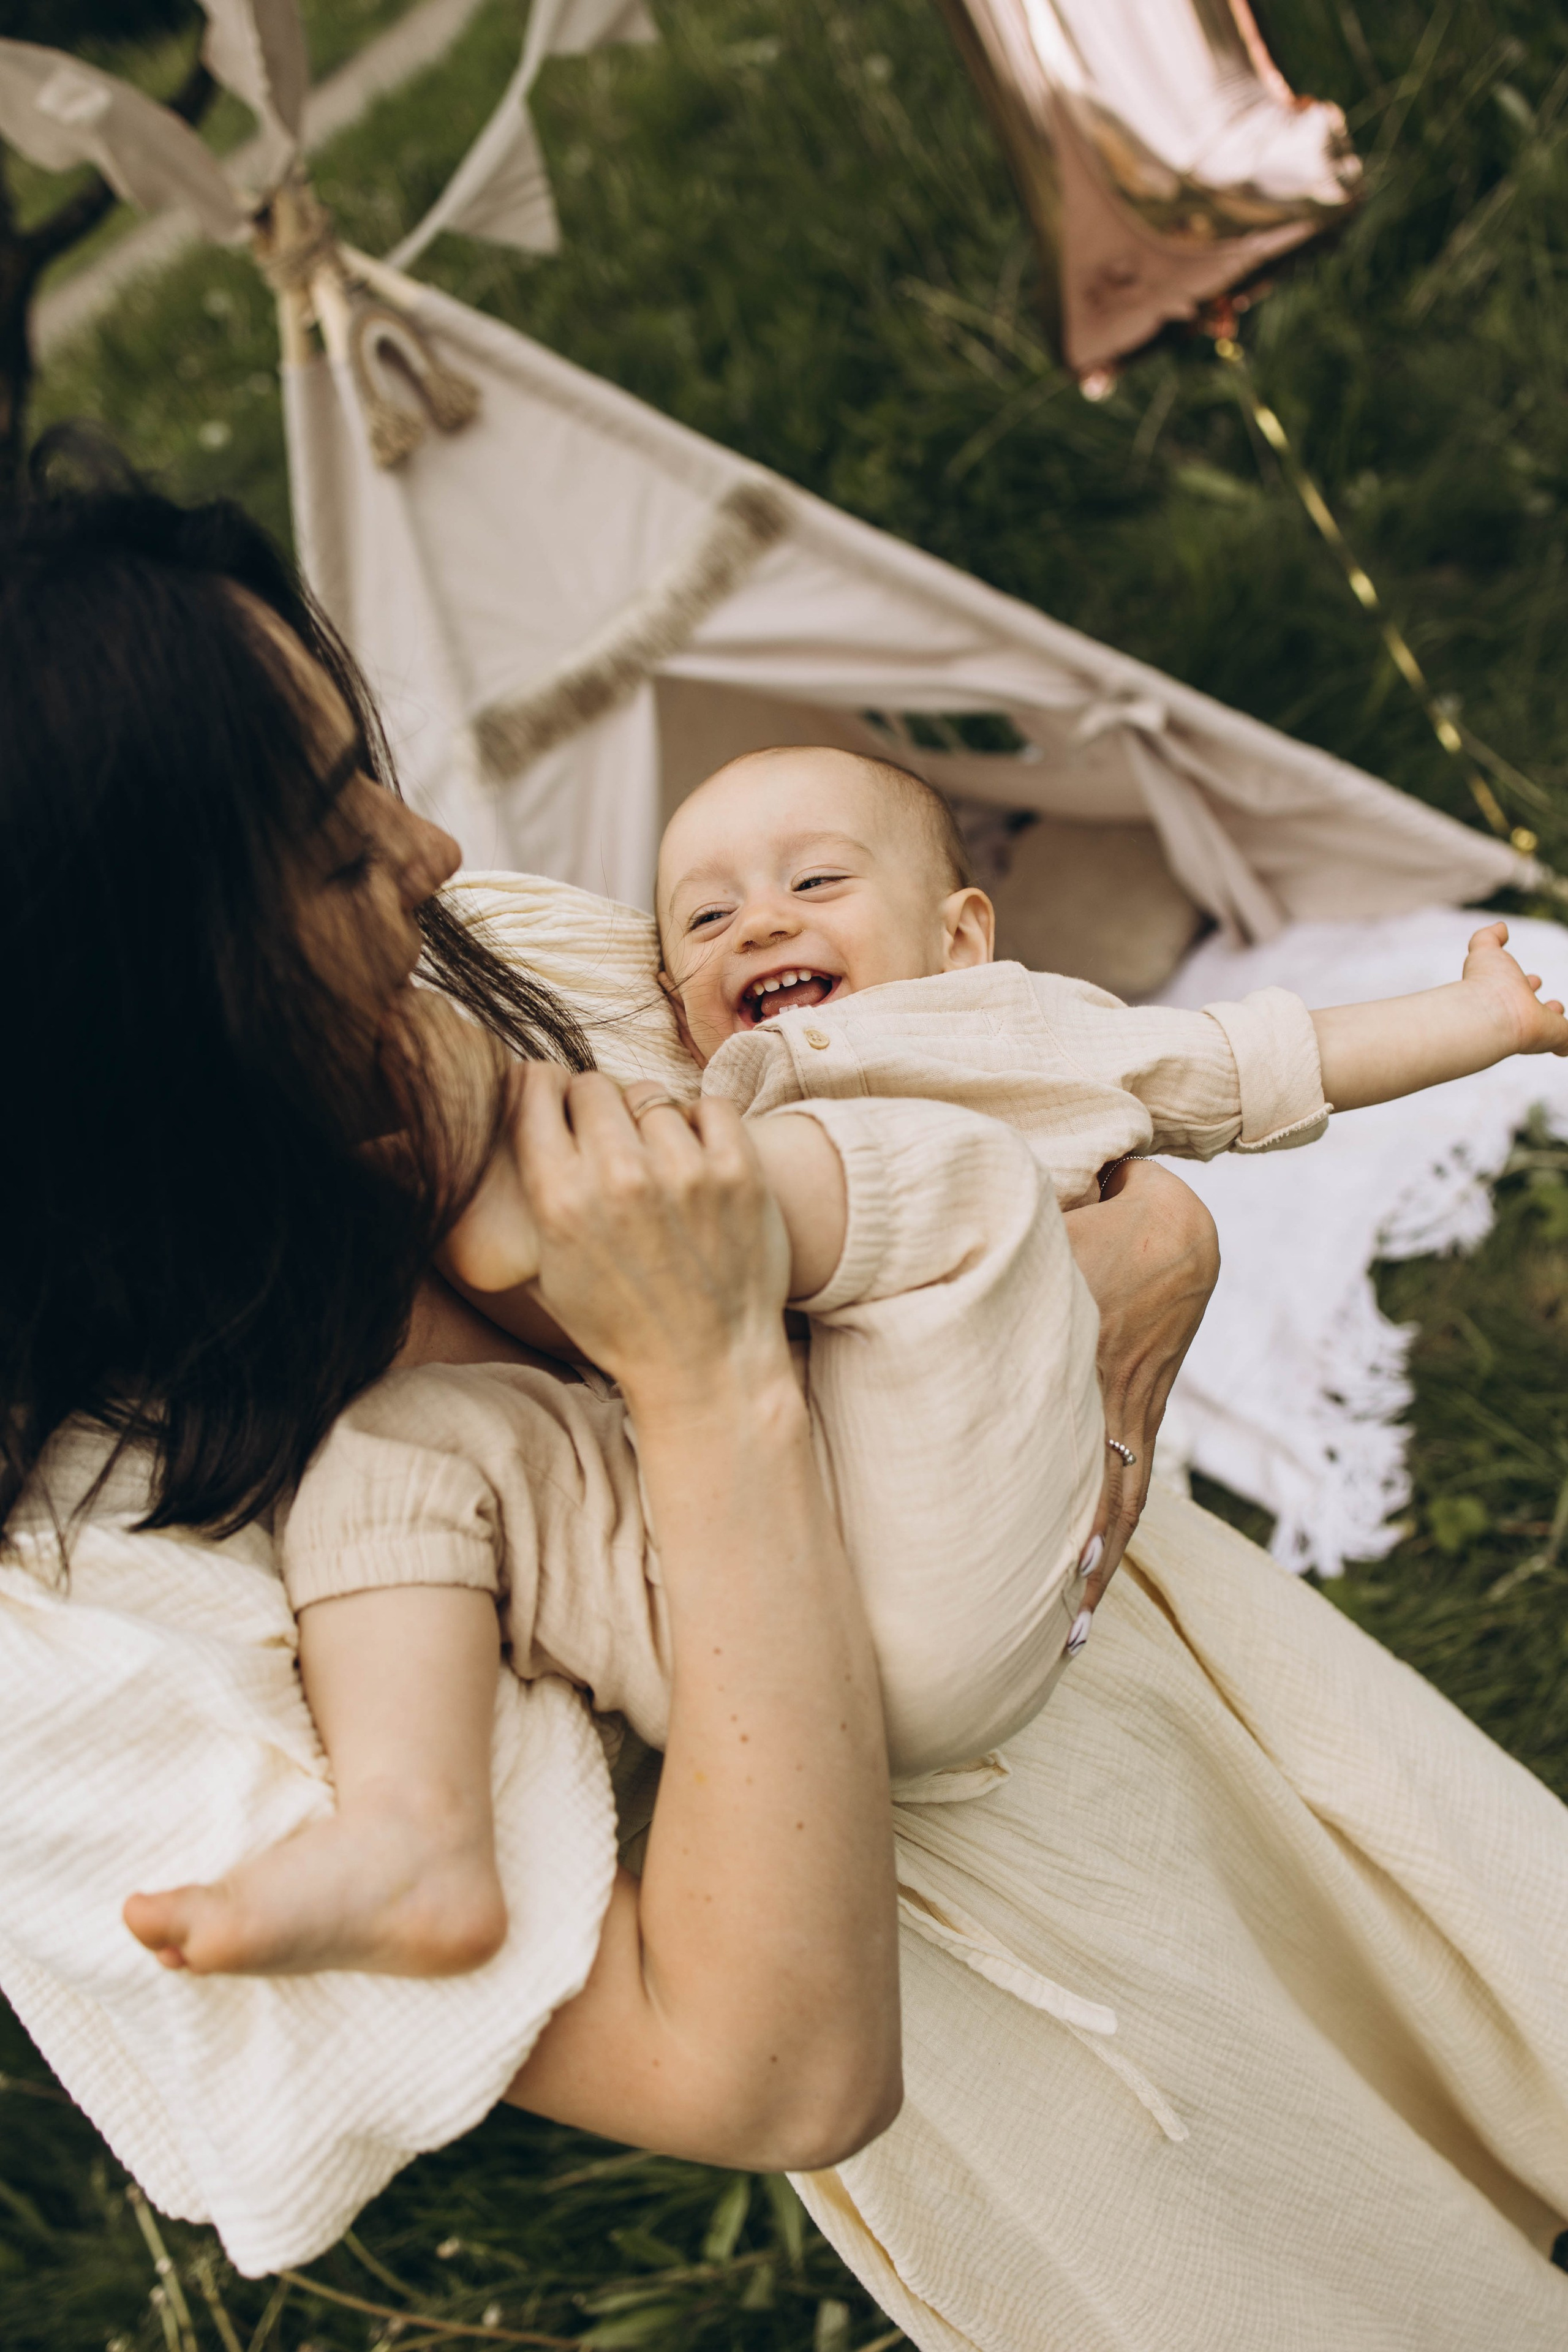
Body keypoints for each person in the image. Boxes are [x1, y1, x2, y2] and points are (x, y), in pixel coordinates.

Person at [4, 470, 1567, 2346]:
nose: (432, 854)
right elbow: (760, 2064)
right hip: (1014, 2028)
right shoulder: (65, 1636)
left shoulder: (450, 968)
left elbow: (981, 1107)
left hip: (1198, 1694)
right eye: (335, 855)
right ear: (121, 1012)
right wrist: (707, 1372)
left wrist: (1150, 1253)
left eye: (369, 784)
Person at [126, 742, 1568, 1980]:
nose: (759, 923)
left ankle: (561, 1199)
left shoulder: (1022, 1036)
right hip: (757, 1643)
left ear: (957, 936)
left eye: (815, 883)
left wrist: (1479, 1020)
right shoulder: (708, 1087)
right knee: (415, 1450)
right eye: (704, 920)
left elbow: (1253, 1061)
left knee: (909, 1171)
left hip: (948, 1549)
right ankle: (413, 1829)